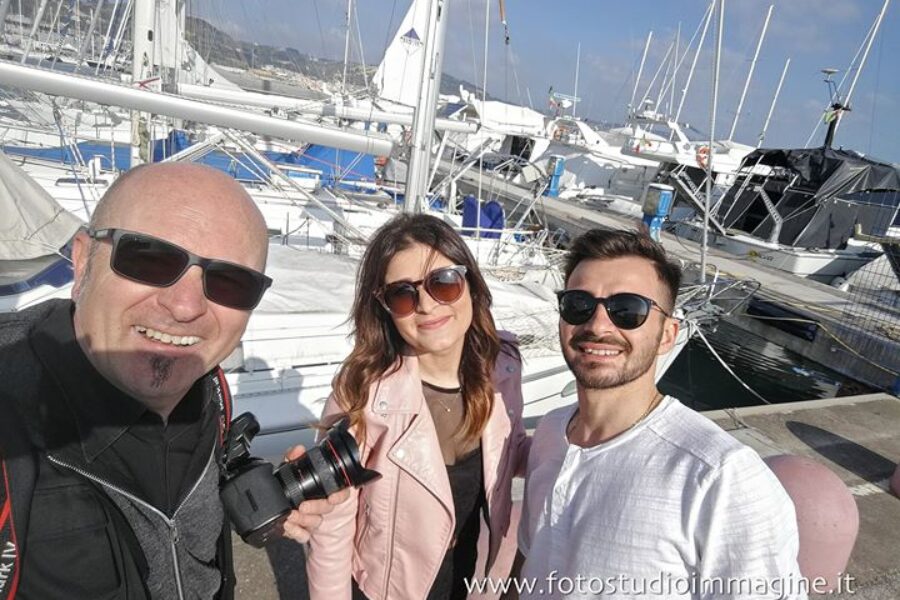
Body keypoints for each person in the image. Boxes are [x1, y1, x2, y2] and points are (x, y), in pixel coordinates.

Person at [0, 163, 347, 600]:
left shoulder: (208, 388)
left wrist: (248, 493)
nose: (186, 306)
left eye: (230, 282)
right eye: (150, 258)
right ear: (83, 259)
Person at [512, 229, 805, 599]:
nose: (598, 326)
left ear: (668, 335)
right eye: (578, 305)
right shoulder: (552, 432)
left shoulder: (720, 476)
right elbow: (529, 559)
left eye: (627, 310)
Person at [305, 213, 528, 600]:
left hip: (472, 576)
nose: (425, 305)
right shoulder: (363, 391)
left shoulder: (503, 368)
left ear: (471, 284)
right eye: (403, 294)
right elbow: (332, 526)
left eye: (443, 283)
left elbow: (511, 450)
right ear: (385, 309)